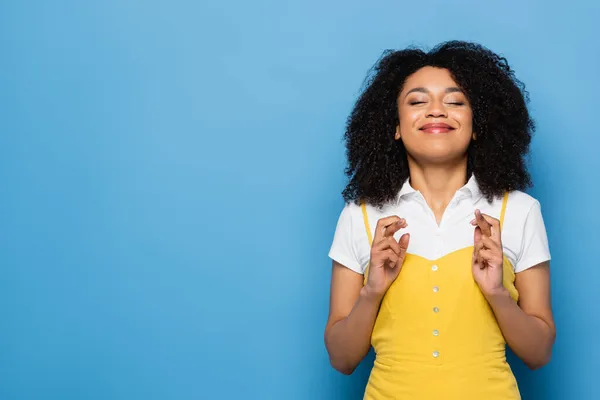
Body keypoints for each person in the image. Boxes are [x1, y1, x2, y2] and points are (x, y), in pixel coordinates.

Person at [324, 40, 555, 399]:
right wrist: (372, 293)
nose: (436, 111)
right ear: (395, 126)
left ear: (477, 125)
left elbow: (539, 353)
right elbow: (342, 359)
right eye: (417, 101)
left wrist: (497, 293)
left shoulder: (520, 211)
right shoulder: (361, 215)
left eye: (455, 101)